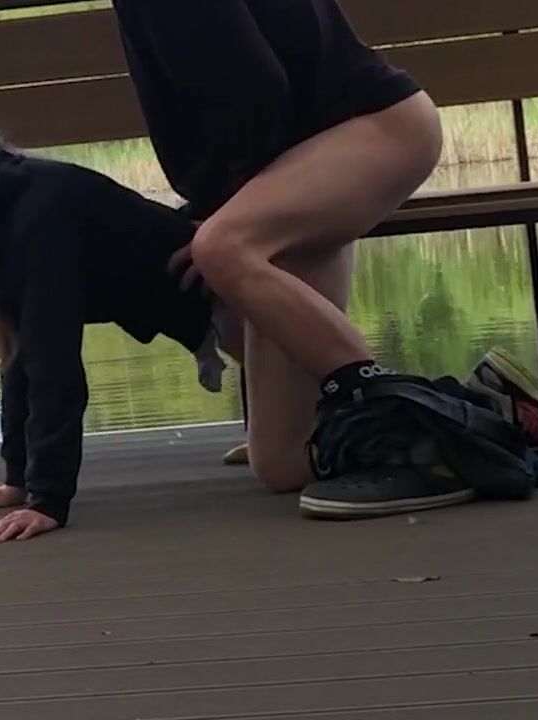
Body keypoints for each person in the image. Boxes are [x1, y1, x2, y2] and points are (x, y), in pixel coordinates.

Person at [110, 0, 495, 513]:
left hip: (368, 132)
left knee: (222, 246)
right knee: (283, 463)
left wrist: (229, 211)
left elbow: (252, 91)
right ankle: (494, 410)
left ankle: (400, 431)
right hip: (301, 155)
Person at [0, 85, 242, 543]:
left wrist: (47, 499)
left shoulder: (35, 216)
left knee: (282, 463)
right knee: (280, 443)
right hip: (210, 311)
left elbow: (54, 364)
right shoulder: (2, 208)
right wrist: (18, 481)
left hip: (231, 300)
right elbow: (21, 350)